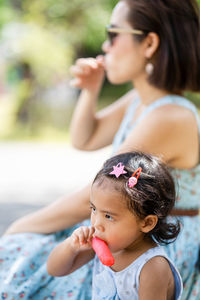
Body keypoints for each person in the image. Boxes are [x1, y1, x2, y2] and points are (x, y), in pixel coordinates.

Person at [0, 0, 200, 299]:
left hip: (147, 242)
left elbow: (96, 194)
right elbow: (86, 138)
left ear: (149, 43)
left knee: (17, 252)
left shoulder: (170, 116)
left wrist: (21, 226)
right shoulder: (139, 101)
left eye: (113, 34)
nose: (106, 47)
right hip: (118, 223)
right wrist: (90, 90)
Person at [47, 152, 183, 300]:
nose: (97, 224)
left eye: (108, 216)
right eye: (94, 209)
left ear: (146, 223)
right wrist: (71, 246)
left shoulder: (152, 267)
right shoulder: (104, 244)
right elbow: (55, 270)